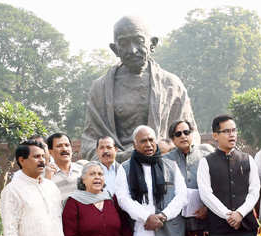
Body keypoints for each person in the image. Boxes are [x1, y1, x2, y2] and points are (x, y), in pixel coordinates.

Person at [81, 16, 200, 161]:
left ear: (152, 44)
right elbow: (89, 142)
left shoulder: (171, 84)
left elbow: (190, 134)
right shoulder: (100, 88)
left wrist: (164, 149)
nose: (132, 50)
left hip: (164, 157)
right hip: (119, 160)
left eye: (139, 41)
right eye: (123, 43)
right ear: (115, 49)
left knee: (206, 151)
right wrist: (124, 156)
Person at [115, 125, 187, 236]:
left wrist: (163, 215)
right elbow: (123, 198)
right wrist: (147, 216)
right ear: (135, 144)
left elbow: (181, 195)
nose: (148, 144)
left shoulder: (170, 165)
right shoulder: (125, 168)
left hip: (169, 228)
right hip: (144, 229)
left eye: (151, 140)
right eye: (143, 141)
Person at [197, 115, 259, 236]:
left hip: (246, 228)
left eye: (233, 130)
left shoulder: (248, 160)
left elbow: (254, 191)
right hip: (219, 230)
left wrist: (240, 213)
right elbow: (205, 194)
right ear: (215, 135)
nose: (232, 135)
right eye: (226, 131)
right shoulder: (206, 162)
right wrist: (227, 215)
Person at [164, 120, 214, 236]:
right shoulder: (166, 160)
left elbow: (217, 184)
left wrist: (207, 207)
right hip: (178, 223)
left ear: (192, 134)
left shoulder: (206, 154)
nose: (183, 136)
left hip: (204, 220)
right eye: (178, 134)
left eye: (186, 132)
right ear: (173, 139)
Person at [44, 132, 84, 202]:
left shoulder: (83, 170)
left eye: (67, 145)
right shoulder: (45, 176)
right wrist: (47, 180)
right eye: (59, 146)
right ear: (50, 151)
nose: (64, 149)